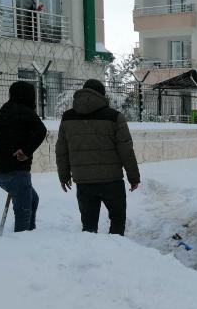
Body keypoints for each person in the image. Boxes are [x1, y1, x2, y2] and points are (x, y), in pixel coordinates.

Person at [56, 79, 140, 235]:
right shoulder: (114, 116)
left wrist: (64, 175)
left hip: (84, 182)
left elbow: (62, 149)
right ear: (102, 95)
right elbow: (126, 150)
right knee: (117, 220)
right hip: (112, 181)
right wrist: (133, 177)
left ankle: (92, 257)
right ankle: (116, 253)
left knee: (88, 227)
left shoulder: (68, 118)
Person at [0, 81, 48, 232]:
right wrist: (26, 151)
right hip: (17, 171)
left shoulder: (3, 111)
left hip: (1, 172)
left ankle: (29, 233)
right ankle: (22, 241)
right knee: (23, 212)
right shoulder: (24, 111)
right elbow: (41, 130)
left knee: (32, 200)